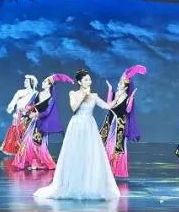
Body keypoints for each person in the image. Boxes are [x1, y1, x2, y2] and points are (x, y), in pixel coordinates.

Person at [34, 69, 120, 200]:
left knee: (89, 153)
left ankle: (89, 184)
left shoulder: (94, 96)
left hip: (89, 125)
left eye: (89, 79)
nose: (89, 81)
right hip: (76, 125)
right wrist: (83, 95)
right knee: (75, 153)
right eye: (86, 79)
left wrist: (117, 96)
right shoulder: (73, 93)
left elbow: (107, 106)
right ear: (79, 82)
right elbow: (73, 108)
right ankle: (73, 184)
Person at [12, 74, 69, 171]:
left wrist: (36, 114)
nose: (42, 83)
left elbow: (47, 112)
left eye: (45, 82)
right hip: (33, 123)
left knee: (37, 143)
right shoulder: (38, 94)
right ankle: (32, 162)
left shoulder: (51, 98)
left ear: (49, 85)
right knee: (28, 142)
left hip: (42, 124)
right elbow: (31, 105)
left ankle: (38, 163)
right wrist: (25, 109)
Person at [99, 65, 145, 178]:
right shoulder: (115, 94)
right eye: (119, 83)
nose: (118, 85)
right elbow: (108, 105)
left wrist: (132, 98)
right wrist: (110, 90)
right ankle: (106, 168)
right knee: (107, 143)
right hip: (110, 122)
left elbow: (128, 110)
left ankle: (117, 169)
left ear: (125, 86)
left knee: (118, 145)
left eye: (120, 84)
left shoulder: (127, 98)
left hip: (120, 124)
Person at [1, 75, 38, 156]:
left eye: (26, 81)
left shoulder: (35, 93)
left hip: (29, 115)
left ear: (31, 83)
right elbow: (13, 102)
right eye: (25, 81)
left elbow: (36, 105)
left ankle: (26, 152)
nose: (24, 82)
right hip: (19, 115)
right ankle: (18, 151)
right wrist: (11, 108)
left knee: (27, 133)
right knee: (16, 131)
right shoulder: (20, 92)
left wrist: (30, 111)